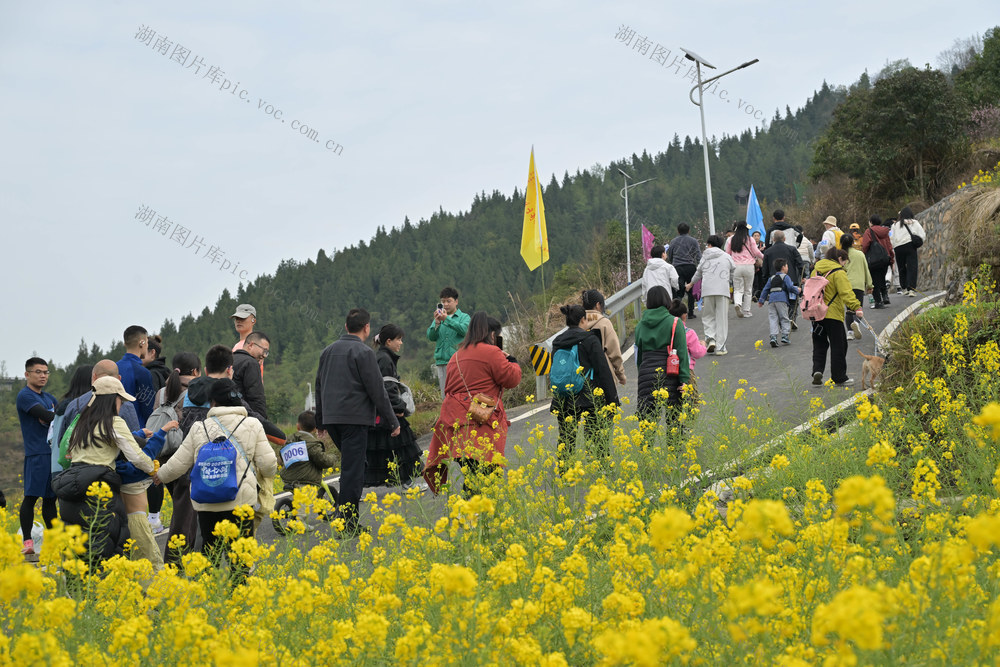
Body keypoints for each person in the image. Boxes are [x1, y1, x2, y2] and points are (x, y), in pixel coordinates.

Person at [155, 379, 277, 578]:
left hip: (208, 502)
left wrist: (160, 475)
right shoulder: (252, 424)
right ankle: (239, 592)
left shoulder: (199, 427)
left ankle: (209, 590)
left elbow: (179, 462)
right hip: (240, 502)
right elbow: (269, 463)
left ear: (212, 402)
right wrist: (265, 476)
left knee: (210, 552)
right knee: (241, 557)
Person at [54, 377, 155, 567]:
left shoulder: (81, 422)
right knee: (106, 548)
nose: (121, 404)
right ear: (112, 399)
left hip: (71, 488)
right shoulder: (113, 422)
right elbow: (136, 457)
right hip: (98, 488)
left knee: (77, 551)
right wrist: (154, 470)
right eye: (120, 400)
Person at [316, 308, 400, 535]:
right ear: (367, 327)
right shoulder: (364, 352)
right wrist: (393, 421)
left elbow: (319, 386)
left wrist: (320, 421)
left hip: (332, 419)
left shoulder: (327, 351)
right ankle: (347, 523)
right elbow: (377, 390)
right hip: (354, 419)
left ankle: (344, 515)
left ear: (346, 327)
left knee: (355, 465)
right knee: (353, 470)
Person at [424, 312, 521, 497]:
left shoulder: (455, 356)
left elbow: (448, 389)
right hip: (481, 423)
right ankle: (474, 512)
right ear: (492, 334)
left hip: (456, 425)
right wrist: (512, 361)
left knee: (472, 476)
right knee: (487, 479)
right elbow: (511, 379)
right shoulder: (492, 352)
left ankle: (469, 511)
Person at [550, 305, 620, 460]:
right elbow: (603, 370)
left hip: (564, 396)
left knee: (566, 438)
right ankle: (600, 466)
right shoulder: (590, 339)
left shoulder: (557, 341)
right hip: (588, 395)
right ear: (583, 319)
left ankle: (564, 469)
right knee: (596, 436)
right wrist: (612, 399)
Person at [147, 351, 201, 536]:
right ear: (195, 371)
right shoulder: (194, 392)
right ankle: (182, 546)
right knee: (186, 509)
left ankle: (186, 542)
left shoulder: (162, 392)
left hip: (162, 455)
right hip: (182, 455)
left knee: (180, 504)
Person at [366, 324, 423, 487]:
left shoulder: (382, 356)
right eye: (398, 339)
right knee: (403, 446)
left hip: (381, 410)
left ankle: (404, 481)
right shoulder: (385, 359)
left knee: (383, 450)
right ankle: (408, 483)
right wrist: (399, 408)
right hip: (388, 411)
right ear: (388, 341)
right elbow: (388, 388)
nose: (401, 343)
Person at [17, 357, 58, 555]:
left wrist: (55, 415)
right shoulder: (25, 396)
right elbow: (49, 416)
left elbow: (56, 417)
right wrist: (55, 415)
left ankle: (56, 543)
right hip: (36, 453)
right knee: (31, 498)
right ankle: (28, 542)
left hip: (53, 453)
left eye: (45, 372)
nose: (43, 376)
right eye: (38, 372)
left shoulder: (49, 397)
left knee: (50, 500)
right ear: (27, 374)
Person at [635, 286, 690, 426]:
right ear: (667, 300)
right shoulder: (675, 322)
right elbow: (682, 352)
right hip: (670, 373)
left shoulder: (640, 325)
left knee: (647, 425)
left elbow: (639, 356)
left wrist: (643, 375)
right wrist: (684, 380)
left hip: (646, 374)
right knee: (674, 423)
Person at [810, 248, 863, 387]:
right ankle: (839, 377)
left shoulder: (815, 270)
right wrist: (856, 307)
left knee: (819, 343)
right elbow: (846, 292)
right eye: (844, 262)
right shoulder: (838, 272)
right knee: (839, 345)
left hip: (816, 314)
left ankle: (817, 370)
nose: (844, 265)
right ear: (840, 259)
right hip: (832, 314)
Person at [687, 235, 736, 356]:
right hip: (722, 290)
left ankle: (711, 338)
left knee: (708, 316)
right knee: (721, 318)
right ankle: (721, 347)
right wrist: (729, 281)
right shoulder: (726, 256)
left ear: (709, 244)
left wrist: (691, 283)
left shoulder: (705, 257)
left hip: (708, 290)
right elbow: (733, 271)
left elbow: (698, 273)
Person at [426, 287, 471, 399]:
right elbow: (431, 337)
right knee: (445, 396)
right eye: (443, 301)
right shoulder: (439, 318)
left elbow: (464, 330)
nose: (445, 304)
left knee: (460, 394)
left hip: (458, 361)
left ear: (456, 301)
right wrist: (437, 323)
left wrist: (447, 319)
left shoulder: (464, 317)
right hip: (442, 361)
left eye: (448, 301)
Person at [280, 410, 340, 494]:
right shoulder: (312, 444)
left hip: (287, 479)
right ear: (315, 428)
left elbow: (282, 456)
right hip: (305, 480)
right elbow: (323, 461)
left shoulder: (289, 440)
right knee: (310, 502)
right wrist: (333, 458)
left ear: (298, 426)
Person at [581, 289, 627, 386]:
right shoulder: (604, 323)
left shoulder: (577, 322)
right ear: (598, 305)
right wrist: (620, 374)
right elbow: (614, 352)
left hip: (581, 378)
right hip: (603, 375)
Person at [725, 221, 764, 318]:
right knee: (748, 289)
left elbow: (727, 253)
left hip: (736, 266)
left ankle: (738, 303)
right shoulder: (750, 239)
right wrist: (764, 257)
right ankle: (746, 311)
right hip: (749, 266)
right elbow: (756, 252)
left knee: (738, 288)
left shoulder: (731, 239)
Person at [758, 259, 800, 347]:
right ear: (783, 267)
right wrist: (797, 290)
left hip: (772, 300)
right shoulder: (786, 277)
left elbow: (765, 289)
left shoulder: (771, 278)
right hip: (781, 299)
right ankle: (785, 335)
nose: (787, 267)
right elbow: (790, 287)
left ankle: (773, 337)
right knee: (784, 317)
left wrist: (761, 300)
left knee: (773, 318)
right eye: (787, 266)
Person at [118, 325, 156, 424]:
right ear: (142, 343)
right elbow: (148, 408)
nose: (147, 346)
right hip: (136, 428)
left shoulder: (114, 368)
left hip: (114, 426)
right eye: (147, 342)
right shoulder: (142, 372)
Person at [667, 299, 706, 392]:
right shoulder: (689, 333)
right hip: (686, 370)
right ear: (684, 315)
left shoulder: (667, 331)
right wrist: (703, 346)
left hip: (669, 368)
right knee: (691, 397)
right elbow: (697, 353)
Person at [840, 234, 873, 341]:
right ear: (853, 243)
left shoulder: (840, 256)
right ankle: (856, 323)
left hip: (845, 285)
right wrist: (869, 285)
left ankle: (850, 332)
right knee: (858, 308)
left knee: (849, 310)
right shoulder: (860, 254)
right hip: (858, 285)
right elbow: (866, 270)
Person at [667, 223, 702, 318]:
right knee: (691, 290)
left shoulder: (673, 241)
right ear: (689, 231)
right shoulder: (693, 241)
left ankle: (677, 312)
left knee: (679, 290)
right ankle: (690, 312)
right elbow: (698, 256)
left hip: (677, 268)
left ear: (678, 231)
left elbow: (670, 255)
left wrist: (673, 262)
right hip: (690, 267)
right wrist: (700, 267)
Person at [232, 331, 269, 419]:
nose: (264, 356)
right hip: (243, 418)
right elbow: (256, 398)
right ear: (251, 345)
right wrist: (262, 421)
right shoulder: (251, 363)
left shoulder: (229, 360)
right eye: (264, 351)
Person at [861, 215, 895, 309]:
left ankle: (878, 302)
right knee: (882, 277)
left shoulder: (869, 231)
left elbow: (865, 245)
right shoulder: (885, 231)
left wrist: (864, 255)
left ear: (871, 222)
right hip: (885, 259)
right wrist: (891, 259)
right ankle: (885, 296)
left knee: (874, 280)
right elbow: (889, 246)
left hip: (874, 259)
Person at [891, 206, 926, 296]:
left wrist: (894, 247)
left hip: (898, 247)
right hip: (909, 246)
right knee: (912, 267)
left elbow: (892, 238)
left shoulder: (895, 225)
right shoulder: (913, 222)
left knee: (901, 267)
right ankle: (911, 289)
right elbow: (922, 234)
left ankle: (904, 287)